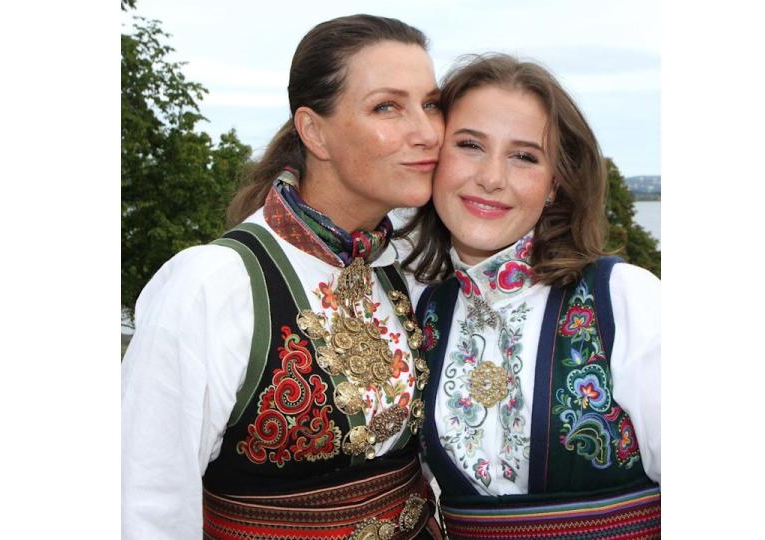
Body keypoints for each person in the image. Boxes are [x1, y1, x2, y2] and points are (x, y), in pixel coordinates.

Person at [121, 14, 446, 539]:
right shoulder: (213, 286)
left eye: (430, 104)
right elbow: (147, 501)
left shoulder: (407, 269)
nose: (428, 131)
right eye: (388, 106)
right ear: (314, 131)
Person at [400, 54, 661, 538]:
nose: (491, 177)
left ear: (553, 185)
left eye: (523, 156)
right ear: (434, 159)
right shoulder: (418, 312)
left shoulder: (625, 301)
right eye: (470, 145)